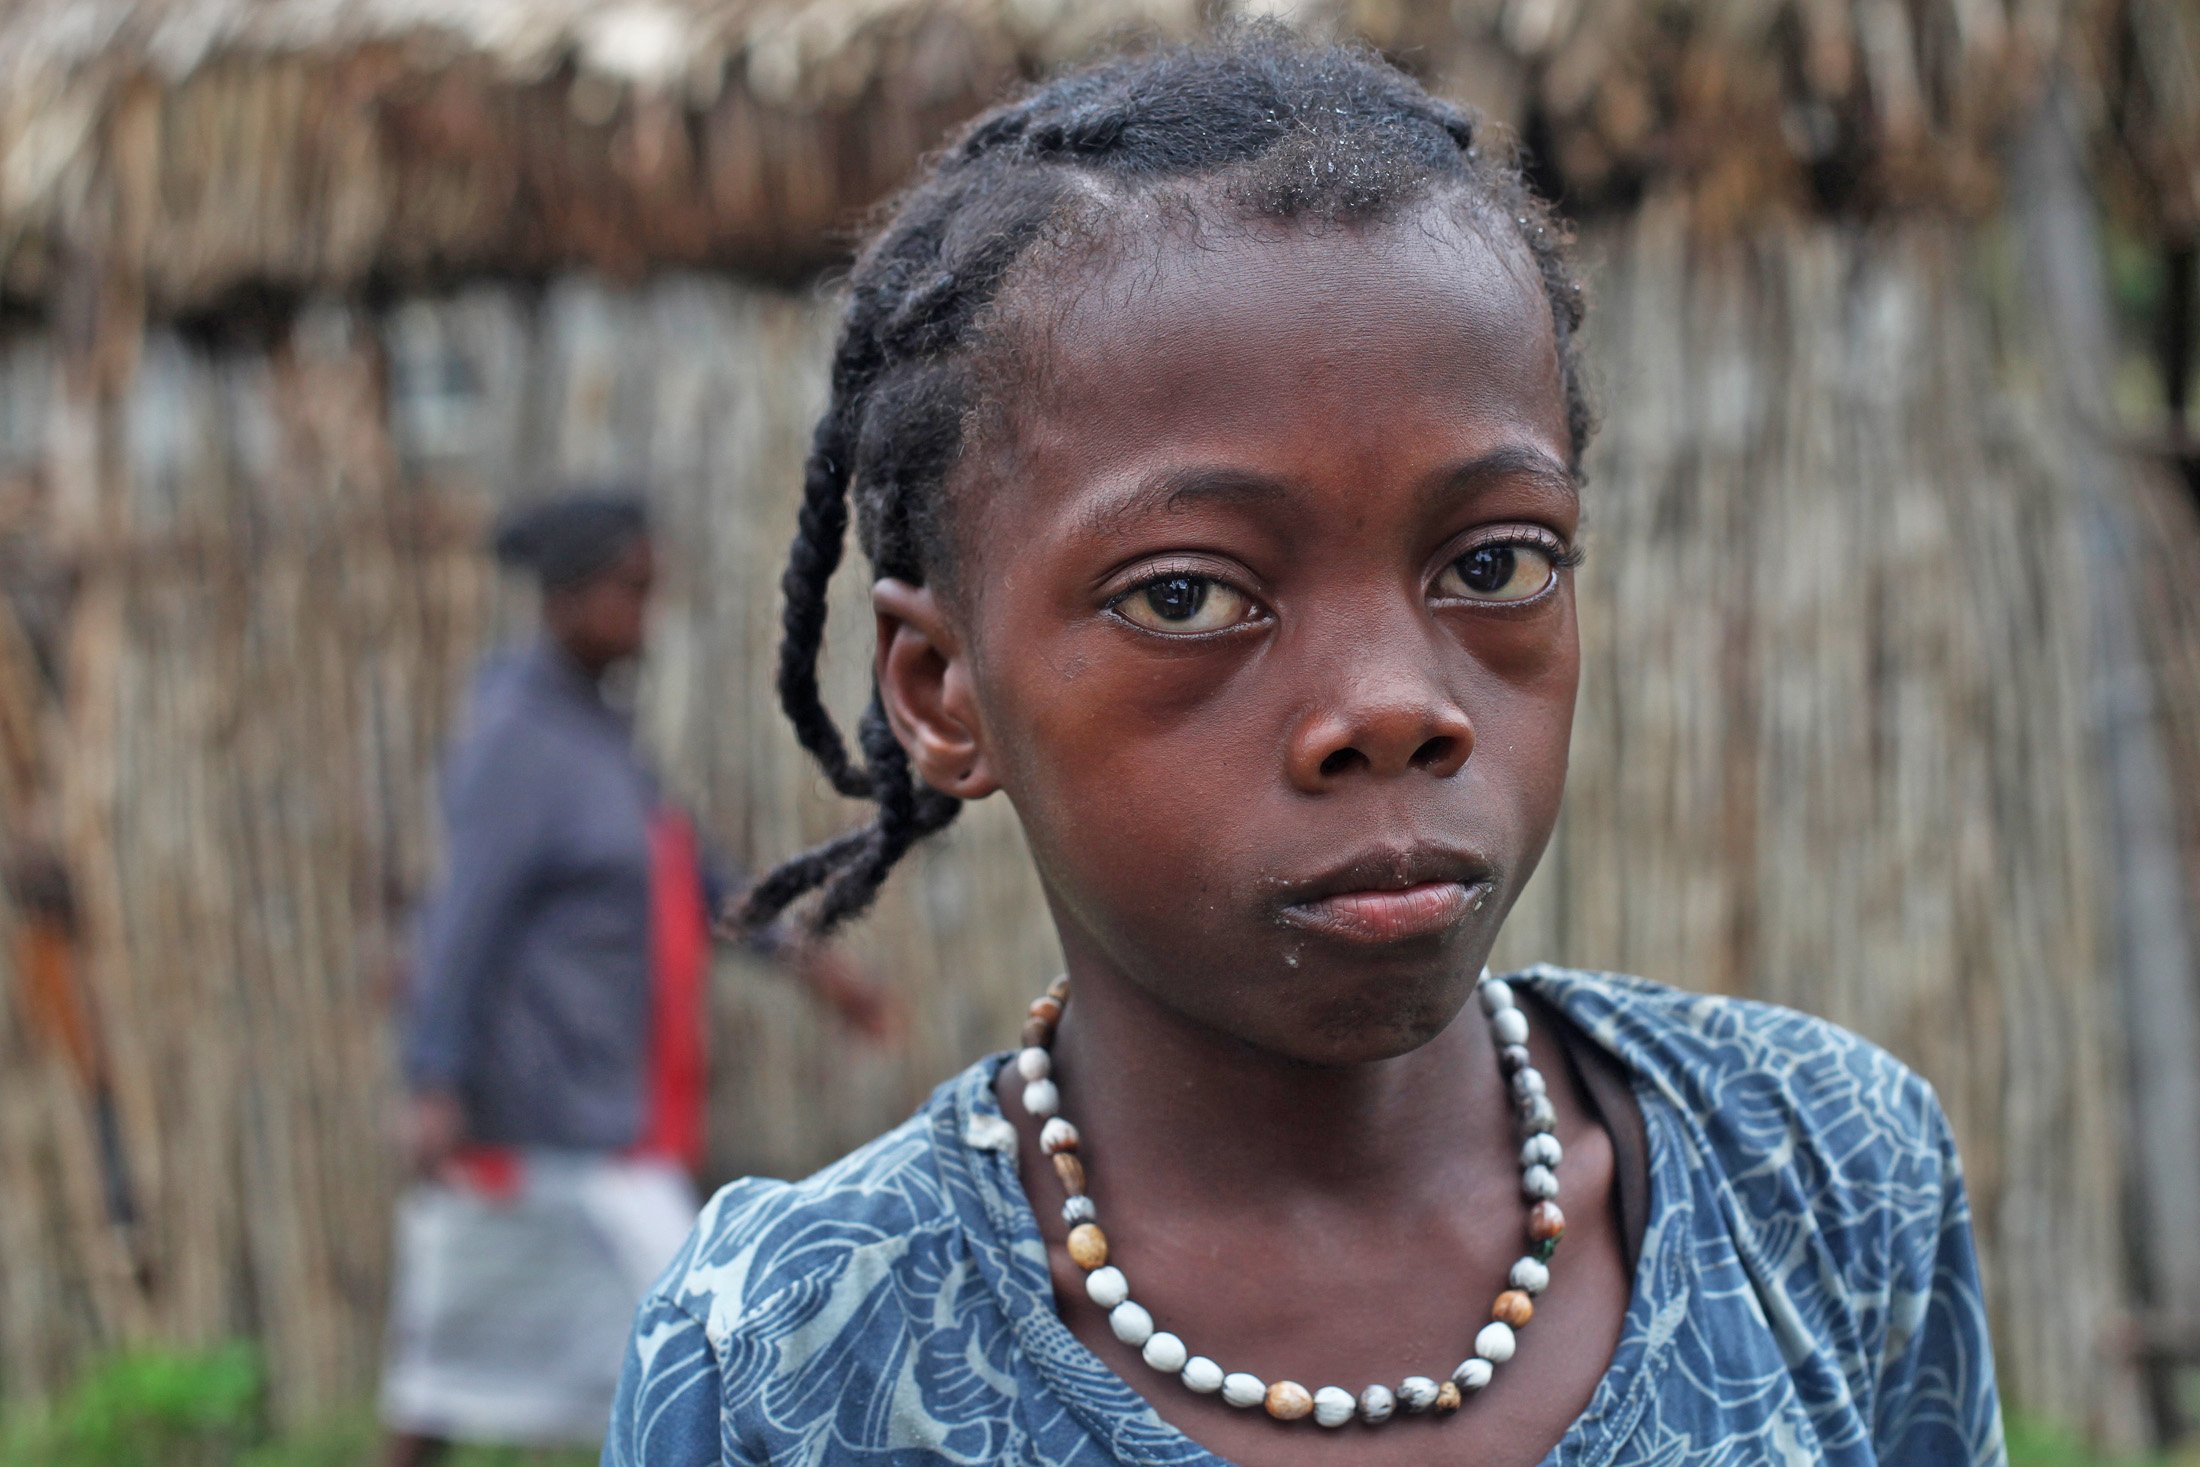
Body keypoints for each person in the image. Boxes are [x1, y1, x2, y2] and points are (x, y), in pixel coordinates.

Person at [605, 33, 2005, 1467]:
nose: (1395, 704)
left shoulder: (1824, 1171)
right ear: (942, 690)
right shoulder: (792, 1362)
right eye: (1185, 594)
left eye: (1496, 561)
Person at [380, 490, 888, 1467]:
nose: (647, 620)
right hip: (547, 1113)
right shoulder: (517, 738)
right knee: (698, 1333)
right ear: (568, 596)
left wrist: (810, 967)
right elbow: (463, 915)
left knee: (443, 1374)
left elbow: (689, 878)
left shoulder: (594, 737)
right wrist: (431, 1077)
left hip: (597, 1105)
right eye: (631, 593)